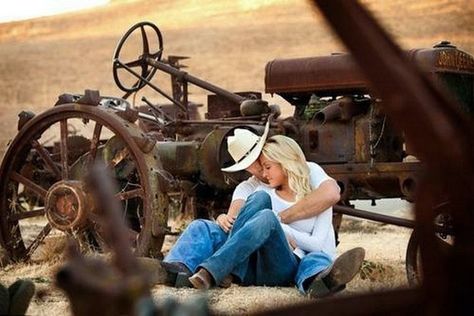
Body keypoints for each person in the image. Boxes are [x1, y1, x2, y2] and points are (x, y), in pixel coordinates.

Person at [162, 122, 364, 296]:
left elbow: (330, 196)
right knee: (202, 227)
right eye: (249, 165)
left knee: (315, 258)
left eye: (263, 162)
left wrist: (279, 223)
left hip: (290, 257)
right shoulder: (254, 188)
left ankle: (320, 282)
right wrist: (225, 217)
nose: (259, 170)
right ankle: (174, 269)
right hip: (254, 257)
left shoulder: (310, 175)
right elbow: (238, 220)